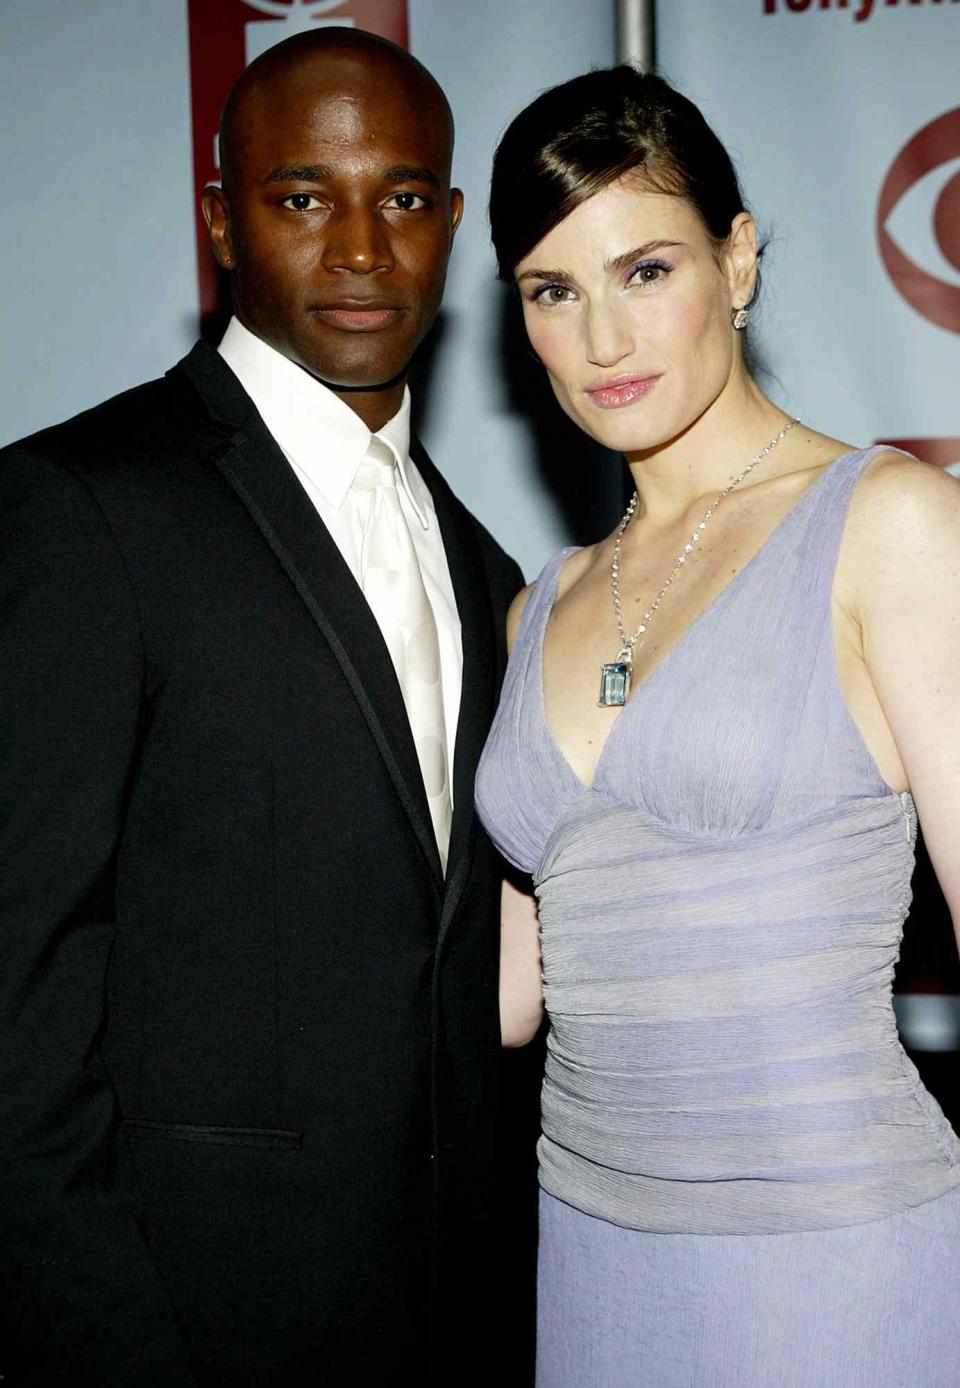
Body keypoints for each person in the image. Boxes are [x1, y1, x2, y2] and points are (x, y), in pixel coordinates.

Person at [0, 28, 525, 1386]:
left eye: (404, 198)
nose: (361, 247)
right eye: (304, 198)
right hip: (187, 1326)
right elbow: (16, 992)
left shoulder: (484, 565)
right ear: (223, 220)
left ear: (453, 224)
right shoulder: (83, 508)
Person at [476, 65, 960, 1387]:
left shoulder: (889, 526)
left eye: (645, 272)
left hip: (835, 1265)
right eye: (553, 292)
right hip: (586, 1253)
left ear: (737, 262)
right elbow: (509, 997)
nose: (605, 342)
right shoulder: (545, 605)